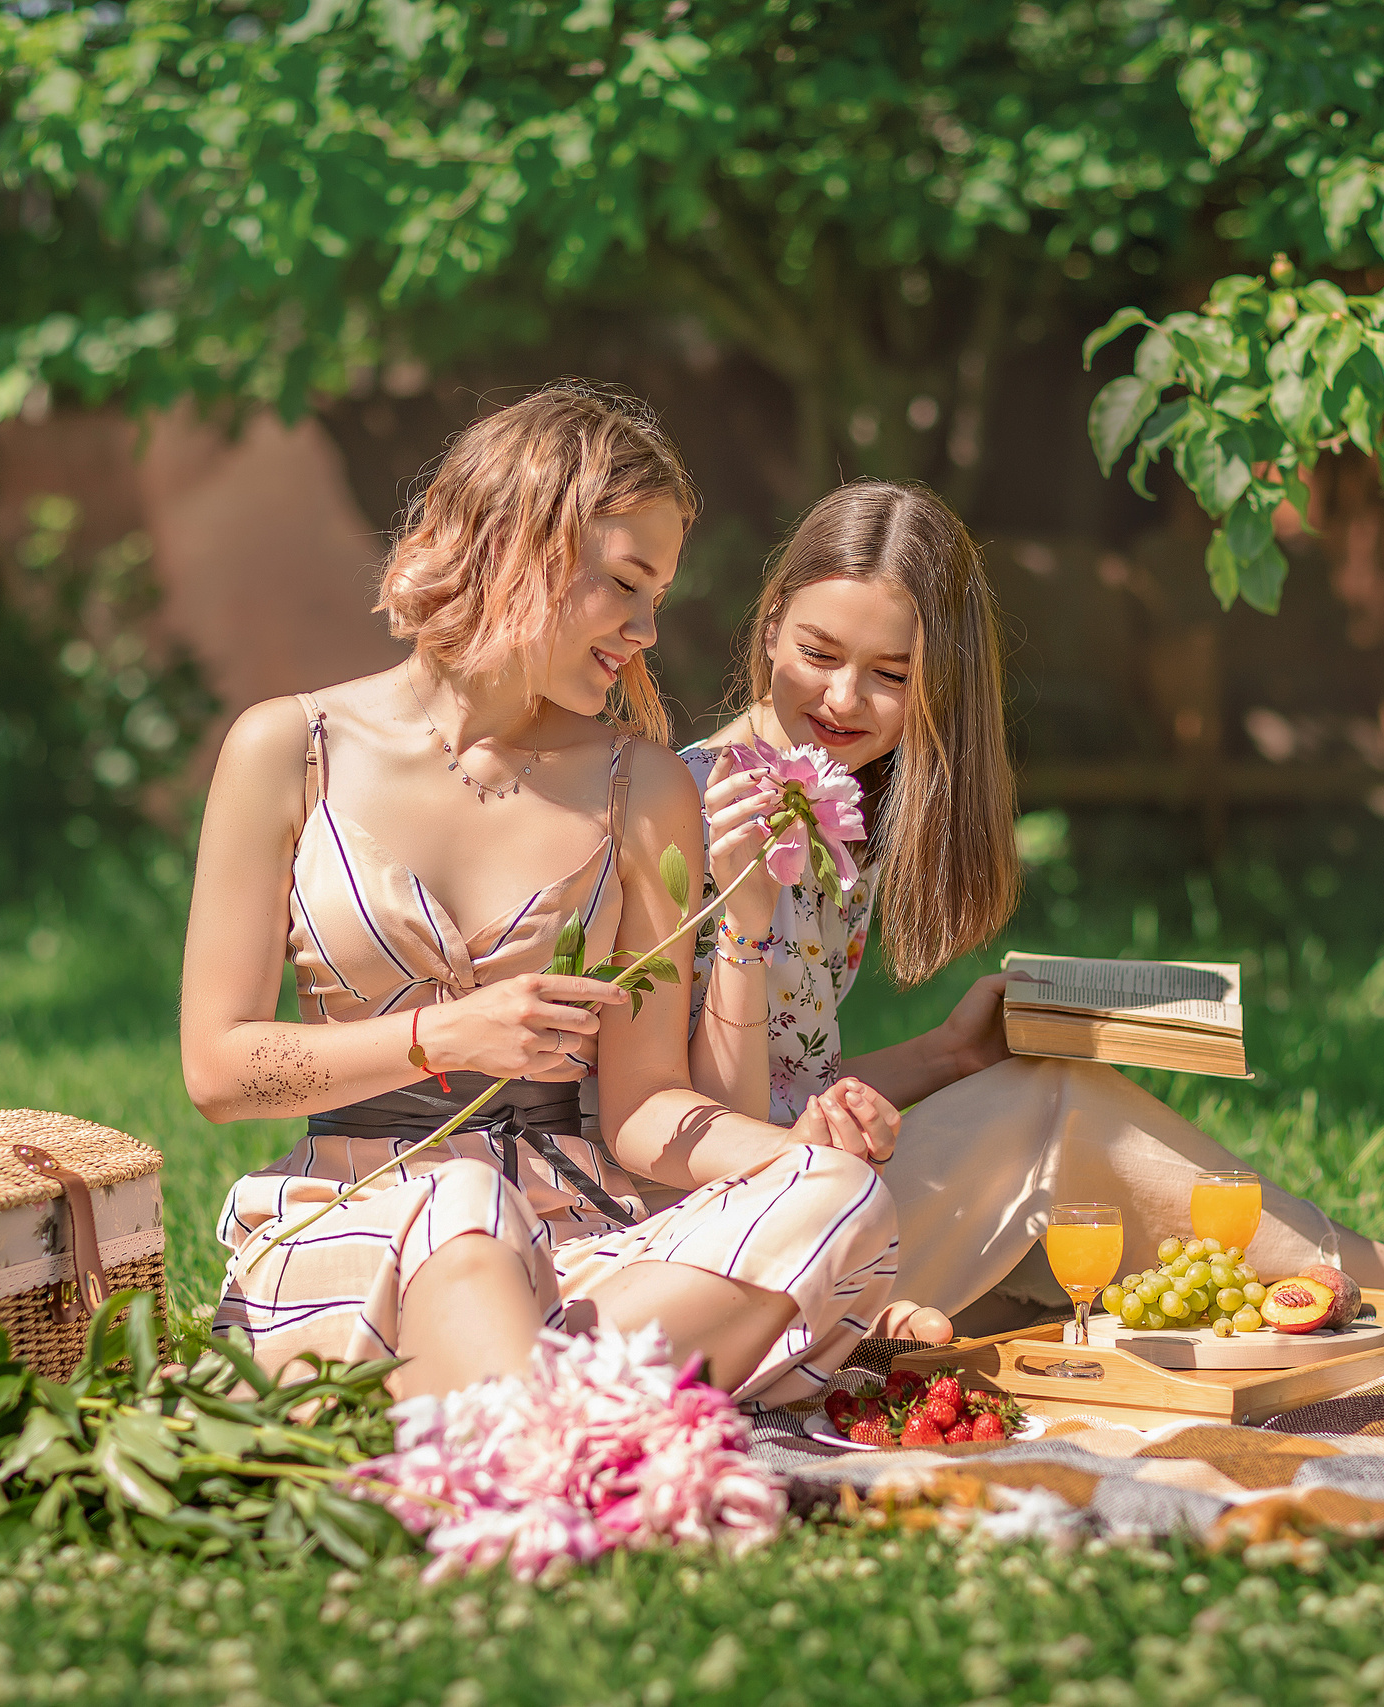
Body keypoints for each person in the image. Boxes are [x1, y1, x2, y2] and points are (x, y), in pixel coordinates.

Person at [682, 479, 1384, 1331]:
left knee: (1051, 1090)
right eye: (818, 653)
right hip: (716, 1252)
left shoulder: (836, 810)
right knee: (1060, 1118)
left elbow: (792, 1083)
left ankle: (1383, 1280)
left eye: (893, 673)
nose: (845, 697)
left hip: (811, 1187)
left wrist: (946, 1053)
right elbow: (668, 1125)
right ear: (769, 628)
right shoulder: (686, 814)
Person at [179, 384, 904, 1405]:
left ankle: (502, 1421)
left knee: (837, 1197)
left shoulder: (640, 783)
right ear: (520, 546)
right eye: (624, 584)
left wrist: (796, 1152)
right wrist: (443, 1038)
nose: (647, 630)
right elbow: (216, 1071)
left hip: (584, 1259)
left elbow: (647, 1108)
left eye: (659, 597)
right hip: (359, 1221)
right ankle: (559, 1426)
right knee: (463, 1198)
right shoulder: (290, 750)